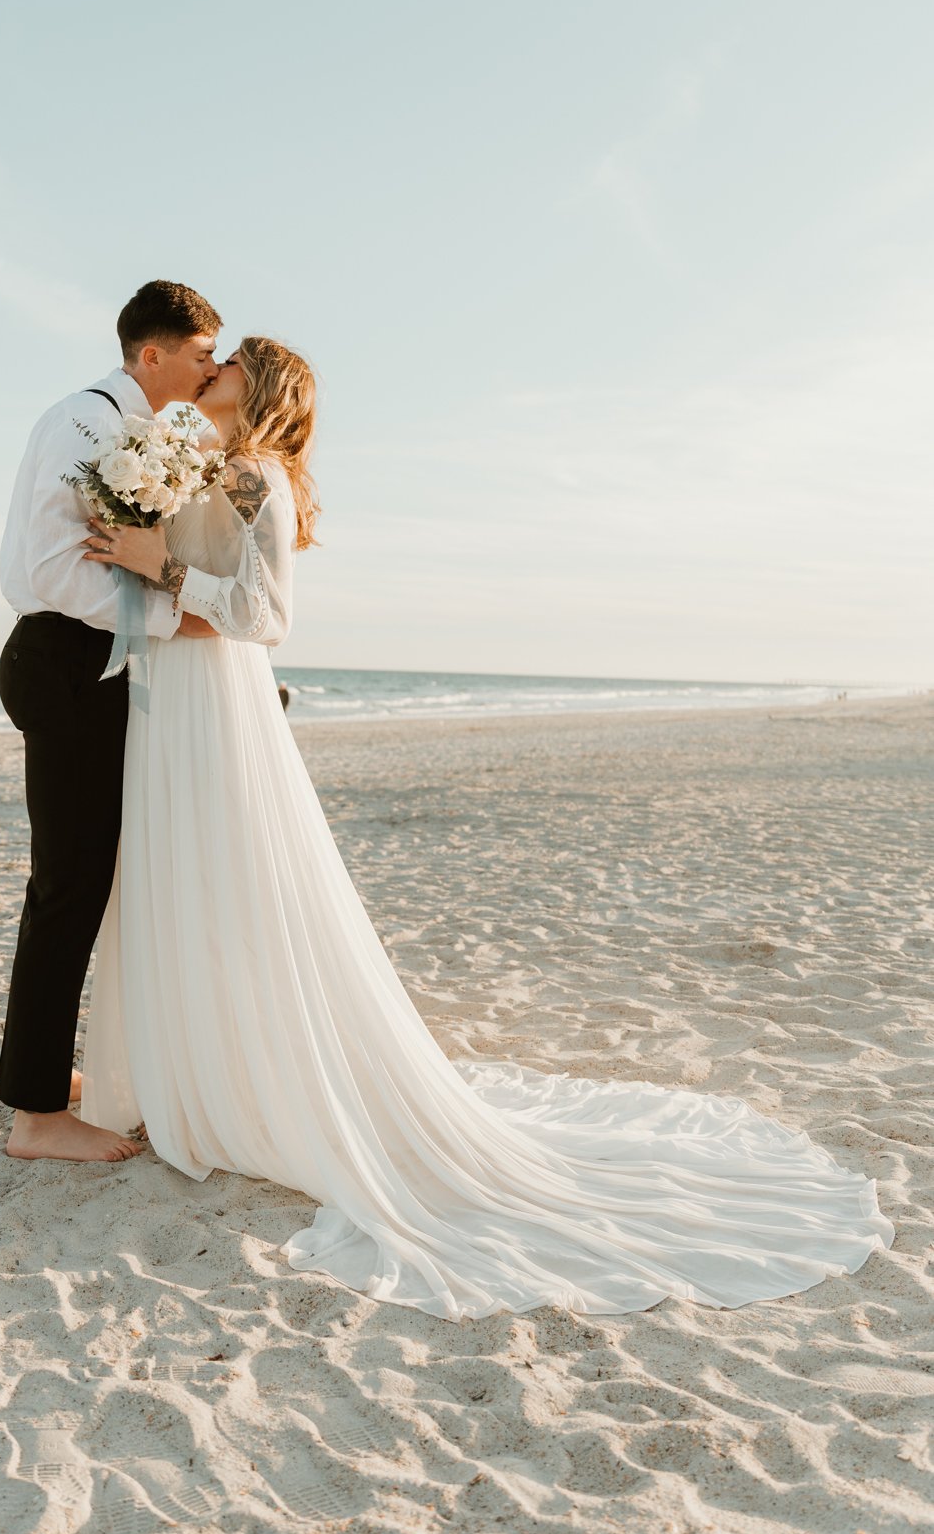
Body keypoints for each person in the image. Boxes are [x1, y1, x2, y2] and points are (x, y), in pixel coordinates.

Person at [78, 336, 895, 1319]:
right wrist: (137, 544)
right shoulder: (211, 466)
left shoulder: (257, 476)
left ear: (262, 390)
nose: (208, 373)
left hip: (222, 711)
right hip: (175, 706)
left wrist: (155, 558)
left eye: (229, 365)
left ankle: (234, 1082)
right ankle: (193, 1071)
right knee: (184, 888)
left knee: (231, 888)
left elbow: (264, 610)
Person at [0, 280, 222, 1163]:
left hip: (88, 664)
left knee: (79, 885)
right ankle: (36, 1118)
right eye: (202, 353)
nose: (210, 369)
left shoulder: (124, 426)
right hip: (64, 661)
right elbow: (54, 574)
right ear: (152, 355)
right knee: (68, 890)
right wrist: (170, 615)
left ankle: (40, 1075)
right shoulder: (87, 424)